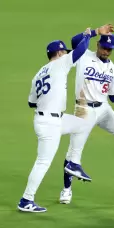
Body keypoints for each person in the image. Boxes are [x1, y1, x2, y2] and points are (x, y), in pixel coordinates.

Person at [17, 27, 97, 213]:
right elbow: (81, 50)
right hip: (49, 125)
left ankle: (72, 163)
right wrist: (90, 33)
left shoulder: (39, 73)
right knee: (43, 162)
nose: (67, 55)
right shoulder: (60, 64)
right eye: (64, 52)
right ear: (59, 53)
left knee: (84, 124)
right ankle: (26, 200)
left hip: (50, 119)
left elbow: (31, 102)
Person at [59, 28, 114, 204]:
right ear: (98, 45)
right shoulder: (84, 55)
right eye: (103, 47)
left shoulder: (113, 70)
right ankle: (66, 189)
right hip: (83, 109)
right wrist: (95, 31)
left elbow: (113, 97)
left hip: (103, 109)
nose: (105, 51)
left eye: (109, 49)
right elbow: (74, 40)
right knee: (73, 152)